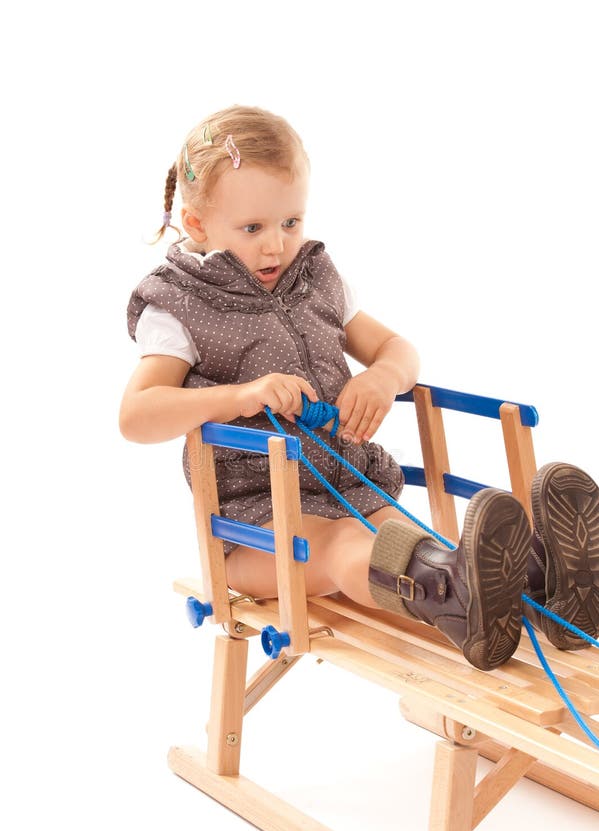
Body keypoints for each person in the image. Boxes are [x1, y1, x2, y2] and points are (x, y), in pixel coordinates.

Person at [120, 105, 599, 672]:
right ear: (197, 225)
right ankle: (459, 596)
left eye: (291, 222)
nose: (276, 246)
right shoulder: (179, 303)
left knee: (403, 538)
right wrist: (241, 395)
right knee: (340, 548)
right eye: (253, 229)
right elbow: (137, 415)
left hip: (352, 485)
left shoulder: (316, 276)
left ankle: (542, 583)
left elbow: (399, 350)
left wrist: (380, 377)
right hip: (255, 527)